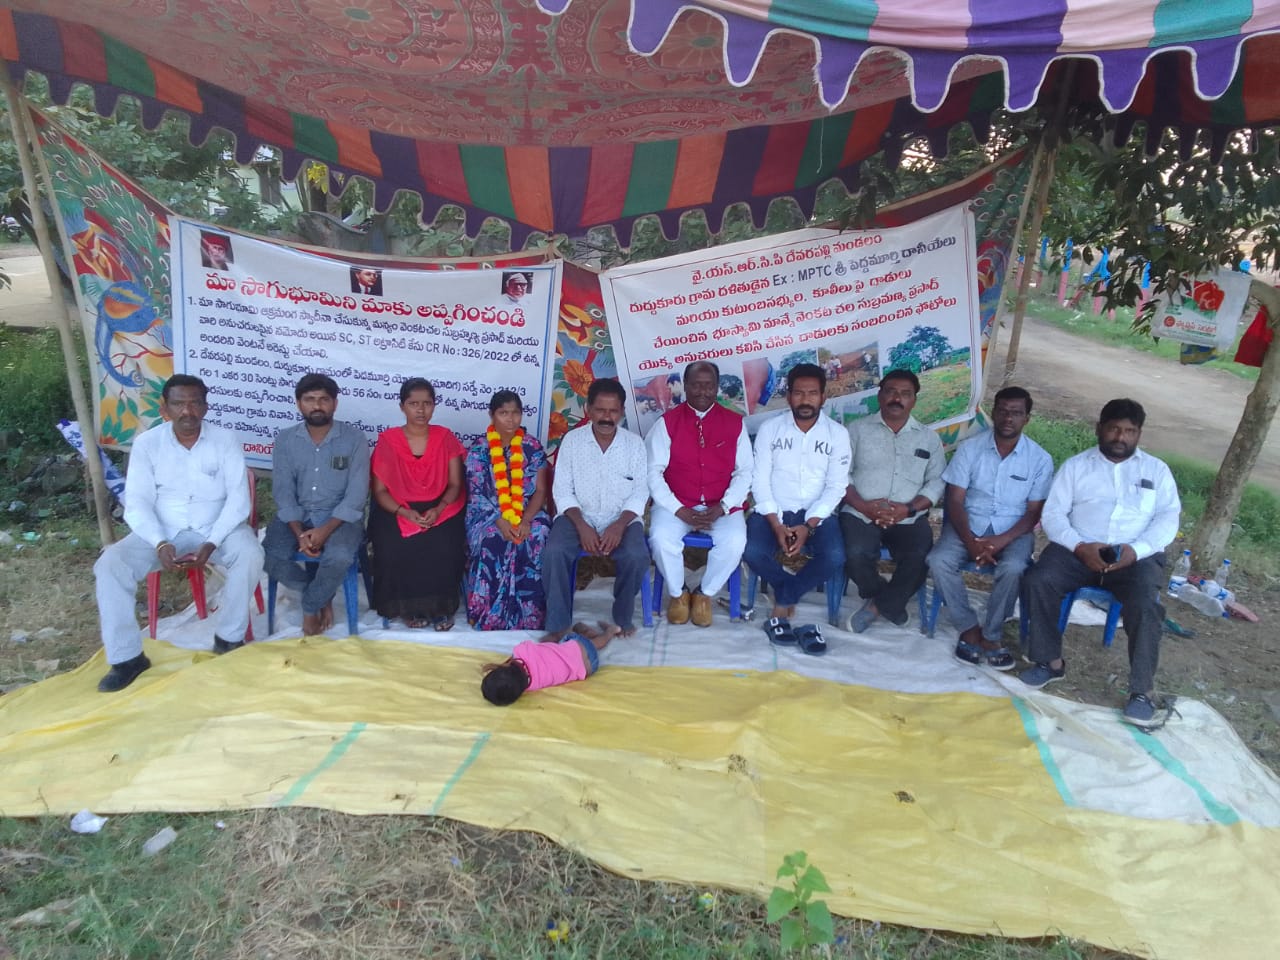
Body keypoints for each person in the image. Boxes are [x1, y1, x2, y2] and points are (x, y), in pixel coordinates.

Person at [93, 374, 264, 692]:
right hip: (163, 531)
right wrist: (159, 542)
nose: (187, 411)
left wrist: (213, 541)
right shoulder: (147, 444)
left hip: (216, 529)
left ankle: (229, 639)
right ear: (165, 409)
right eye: (179, 404)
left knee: (251, 552)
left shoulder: (225, 439)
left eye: (195, 403)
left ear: (206, 407)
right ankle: (127, 659)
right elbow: (138, 502)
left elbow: (239, 500)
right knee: (110, 564)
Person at [1019, 398, 1181, 729]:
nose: (1120, 437)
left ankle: (1141, 691)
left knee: (1146, 604)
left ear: (1139, 434)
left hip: (1135, 556)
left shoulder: (1156, 471)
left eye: (1129, 431)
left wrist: (1136, 550)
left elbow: (1168, 518)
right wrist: (1080, 547)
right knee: (1038, 580)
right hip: (1078, 549)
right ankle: (1049, 661)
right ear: (1099, 429)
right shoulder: (1076, 466)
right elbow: (1053, 514)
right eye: (1114, 429)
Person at [926, 386, 1053, 669]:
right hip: (967, 523)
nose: (1008, 418)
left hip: (1014, 530)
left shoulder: (1040, 459)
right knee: (938, 560)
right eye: (1003, 411)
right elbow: (955, 500)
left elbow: (1034, 512)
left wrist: (1000, 540)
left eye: (1016, 413)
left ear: (1027, 418)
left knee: (1015, 568)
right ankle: (968, 627)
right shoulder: (970, 449)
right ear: (993, 413)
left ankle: (992, 635)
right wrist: (971, 542)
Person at [744, 363, 850, 651]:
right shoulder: (770, 430)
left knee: (835, 555)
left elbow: (836, 487)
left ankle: (785, 597)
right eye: (799, 393)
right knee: (751, 550)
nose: (805, 400)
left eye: (812, 393)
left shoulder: (837, 434)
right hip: (773, 509)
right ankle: (789, 590)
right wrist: (776, 523)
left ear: (823, 397)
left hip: (817, 513)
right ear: (788, 395)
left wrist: (808, 525)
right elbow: (759, 481)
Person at [262, 373, 370, 636]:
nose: (317, 405)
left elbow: (356, 495)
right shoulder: (286, 440)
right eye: (309, 399)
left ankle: (310, 607)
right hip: (296, 516)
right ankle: (320, 594)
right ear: (298, 403)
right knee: (269, 556)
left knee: (340, 557)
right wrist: (299, 532)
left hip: (340, 518)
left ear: (335, 403)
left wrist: (324, 531)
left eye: (324, 399)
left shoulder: (354, 439)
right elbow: (283, 492)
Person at [646, 361, 752, 627]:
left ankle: (704, 594)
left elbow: (745, 473)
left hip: (720, 506)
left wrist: (723, 507)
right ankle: (678, 593)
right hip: (677, 504)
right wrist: (678, 509)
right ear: (685, 385)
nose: (703, 391)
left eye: (709, 385)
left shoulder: (735, 423)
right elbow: (652, 473)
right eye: (696, 385)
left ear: (717, 387)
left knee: (735, 541)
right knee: (660, 538)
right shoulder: (667, 423)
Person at [542, 379, 650, 638]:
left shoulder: (634, 444)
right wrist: (582, 526)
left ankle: (622, 617)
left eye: (613, 411)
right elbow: (562, 490)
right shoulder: (572, 441)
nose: (606, 417)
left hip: (621, 518)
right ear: (588, 409)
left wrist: (619, 525)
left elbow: (640, 492)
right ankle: (558, 625)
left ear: (622, 412)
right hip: (577, 516)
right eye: (600, 410)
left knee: (636, 555)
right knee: (554, 552)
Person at [841, 369, 944, 632]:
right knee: (854, 554)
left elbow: (936, 482)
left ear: (914, 400)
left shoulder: (929, 438)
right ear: (880, 396)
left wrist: (908, 509)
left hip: (908, 516)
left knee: (920, 556)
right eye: (891, 392)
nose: (897, 399)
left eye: (905, 394)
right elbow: (841, 475)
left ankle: (877, 607)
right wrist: (863, 506)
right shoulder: (856, 430)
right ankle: (888, 599)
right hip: (861, 512)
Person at [368, 378, 466, 629]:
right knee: (396, 546)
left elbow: (455, 484)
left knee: (444, 545)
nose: (421, 410)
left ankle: (441, 608)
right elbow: (380, 491)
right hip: (396, 507)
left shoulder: (445, 438)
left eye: (427, 403)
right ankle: (408, 609)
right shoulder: (389, 441)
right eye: (413, 404)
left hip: (441, 506)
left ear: (434, 406)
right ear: (402, 407)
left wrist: (439, 509)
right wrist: (405, 512)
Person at [464, 390, 552, 630]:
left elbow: (540, 491)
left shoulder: (531, 446)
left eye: (515, 413)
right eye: (503, 413)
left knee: (538, 535)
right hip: (487, 514)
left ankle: (531, 614)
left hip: (527, 512)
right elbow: (476, 494)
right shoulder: (480, 449)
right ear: (492, 415)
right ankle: (489, 613)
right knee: (492, 538)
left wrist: (526, 520)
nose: (510, 419)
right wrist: (500, 521)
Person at [481, 621, 615, 705]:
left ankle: (598, 634)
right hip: (580, 648)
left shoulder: (532, 686)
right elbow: (531, 648)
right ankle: (609, 631)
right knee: (569, 640)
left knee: (588, 646)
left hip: (589, 669)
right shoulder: (521, 651)